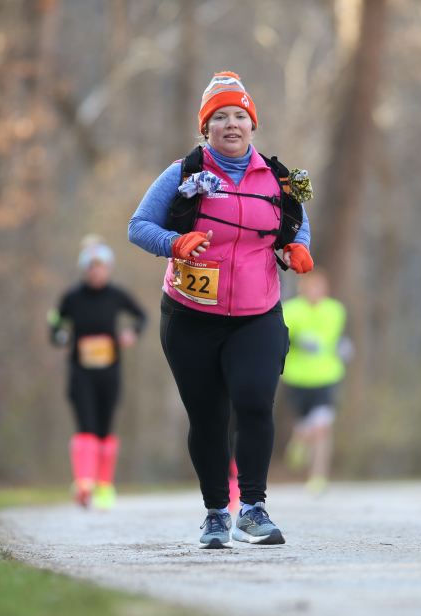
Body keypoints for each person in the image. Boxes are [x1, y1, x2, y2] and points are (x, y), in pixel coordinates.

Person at [129, 71, 315, 549]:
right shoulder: (184, 173)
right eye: (219, 118)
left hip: (257, 313)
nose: (231, 124)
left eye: (239, 116)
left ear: (252, 124)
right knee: (208, 415)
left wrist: (298, 250)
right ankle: (216, 512)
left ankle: (252, 508)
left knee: (254, 400)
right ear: (205, 128)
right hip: (191, 315)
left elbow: (298, 225)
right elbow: (139, 226)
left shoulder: (279, 178)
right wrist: (175, 242)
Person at [48, 236, 146, 510]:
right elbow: (55, 321)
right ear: (84, 269)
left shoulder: (116, 296)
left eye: (100, 266)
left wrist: (132, 333)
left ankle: (104, 486)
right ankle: (83, 482)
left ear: (109, 268)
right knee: (85, 426)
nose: (96, 272)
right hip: (81, 372)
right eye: (91, 267)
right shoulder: (72, 297)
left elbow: (142, 316)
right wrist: (60, 335)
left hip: (110, 372)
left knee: (105, 429)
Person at [280, 270, 351, 494]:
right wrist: (298, 339)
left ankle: (318, 477)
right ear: (302, 289)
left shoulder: (335, 310)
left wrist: (343, 346)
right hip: (297, 377)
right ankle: (299, 441)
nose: (315, 292)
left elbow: (333, 337)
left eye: (319, 288)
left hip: (327, 375)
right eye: (311, 287)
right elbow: (282, 336)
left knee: (322, 427)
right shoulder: (290, 310)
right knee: (305, 427)